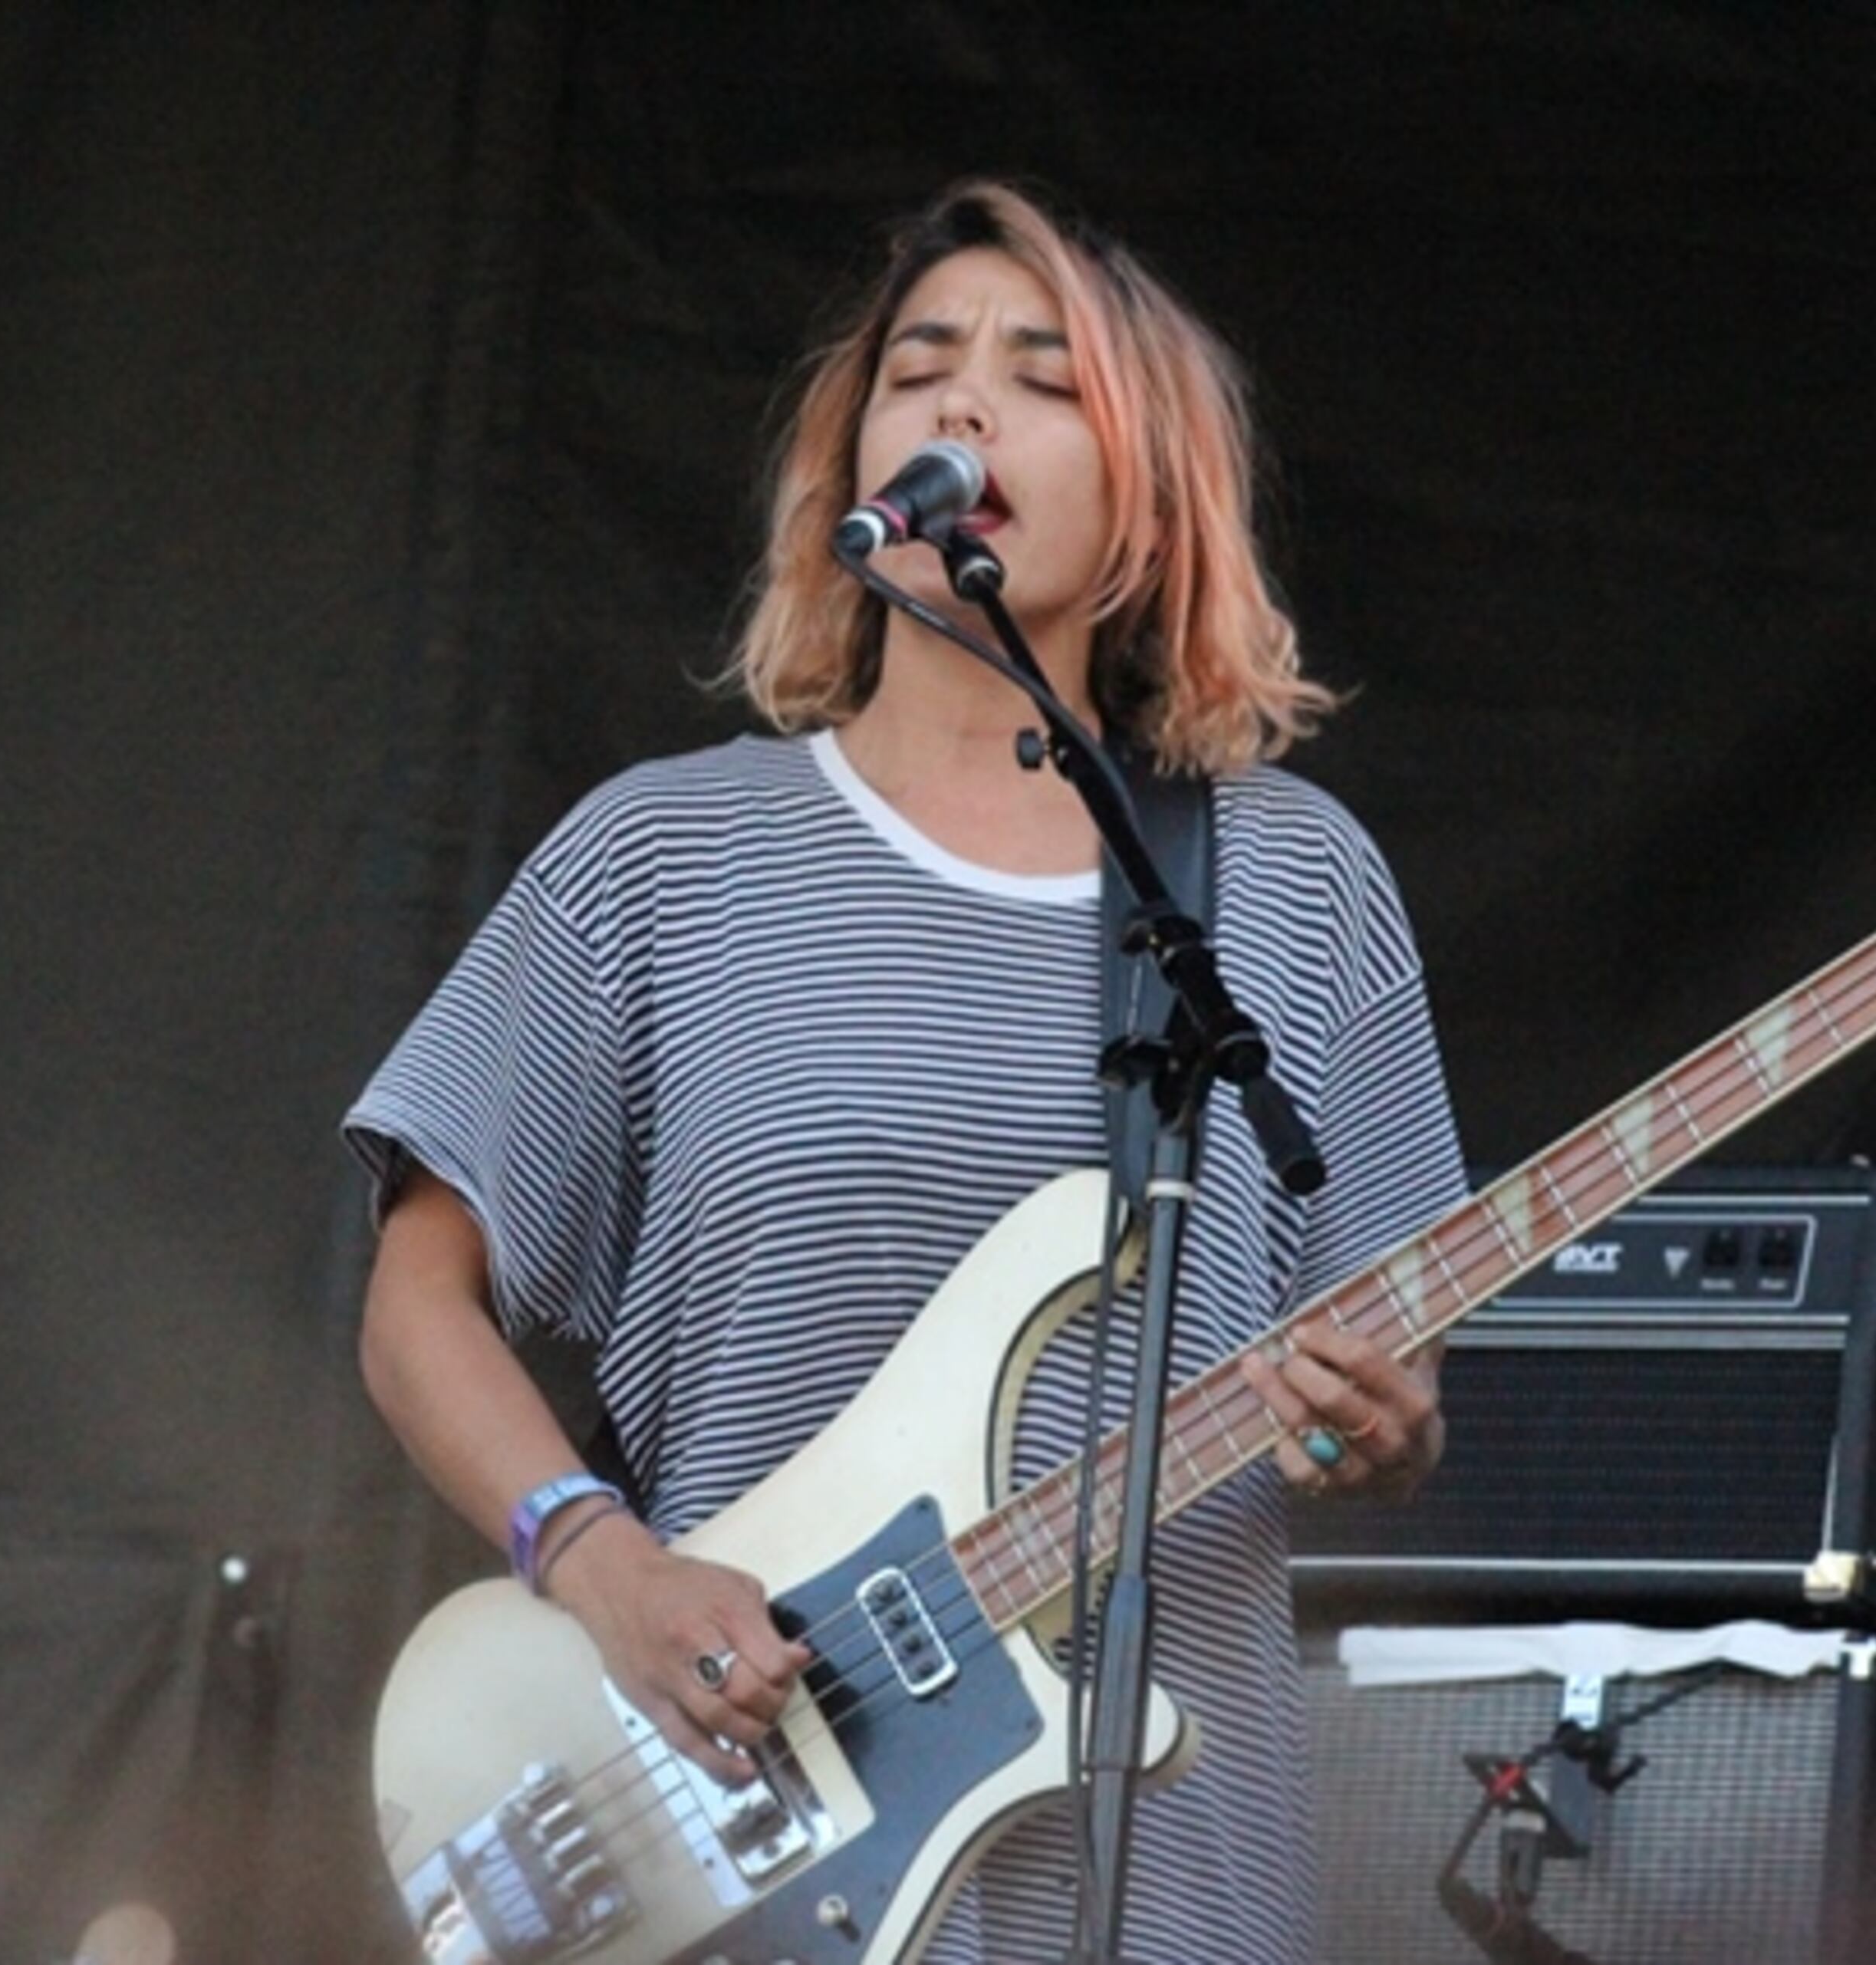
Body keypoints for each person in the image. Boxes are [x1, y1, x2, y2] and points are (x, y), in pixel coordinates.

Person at [348, 178, 1470, 1963]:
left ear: (1151, 495)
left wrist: (1382, 1430)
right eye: (922, 366)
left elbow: (1384, 1373)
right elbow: (419, 1301)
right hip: (750, 1859)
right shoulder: (663, 858)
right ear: (853, 465)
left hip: (1173, 1884)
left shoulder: (1295, 880)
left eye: (1044, 378)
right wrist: (604, 1566)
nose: (964, 403)